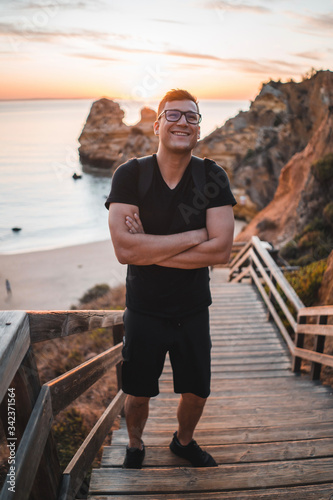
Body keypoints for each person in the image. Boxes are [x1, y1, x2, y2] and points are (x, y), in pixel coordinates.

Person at [105, 89, 236, 469]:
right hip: (144, 309)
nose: (183, 122)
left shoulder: (212, 177)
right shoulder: (131, 175)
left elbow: (222, 252)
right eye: (174, 115)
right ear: (157, 123)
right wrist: (196, 236)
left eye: (192, 117)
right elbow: (125, 251)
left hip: (193, 309)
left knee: (196, 392)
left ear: (198, 128)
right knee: (138, 391)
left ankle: (183, 441)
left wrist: (151, 247)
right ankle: (134, 443)